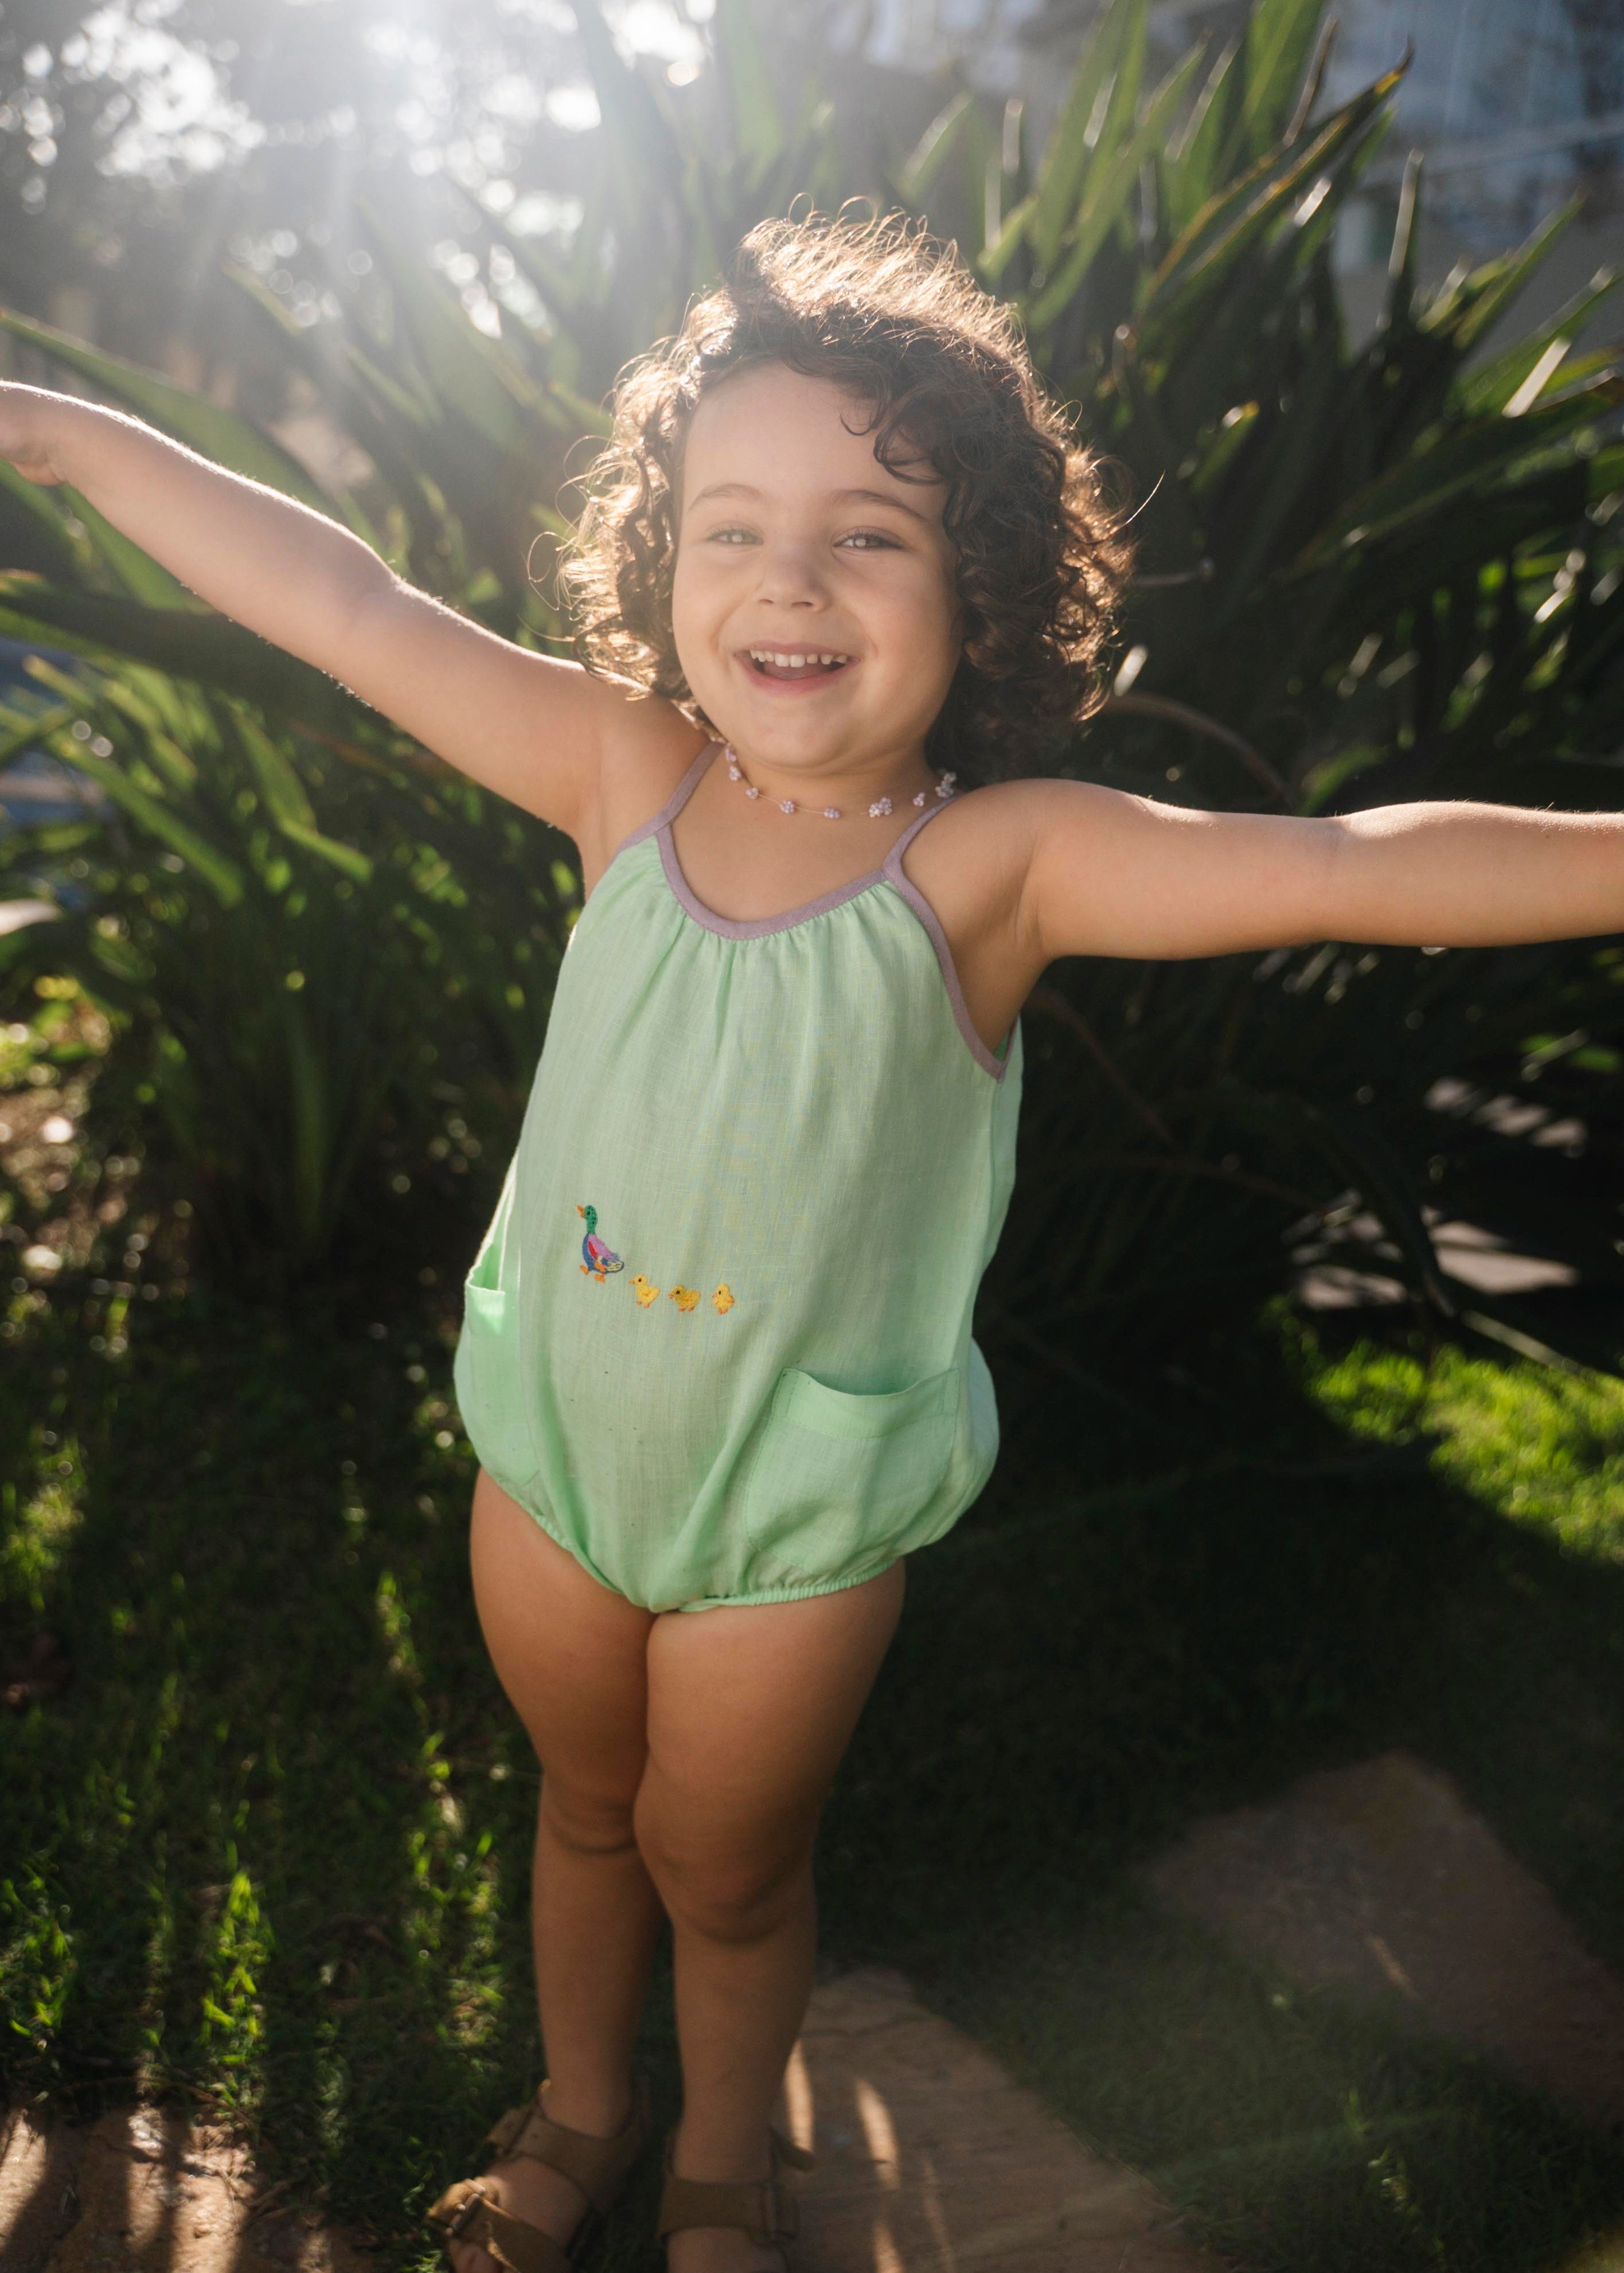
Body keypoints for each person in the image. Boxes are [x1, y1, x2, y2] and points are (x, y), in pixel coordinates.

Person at [3, 210, 1622, 2273]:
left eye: (870, 534)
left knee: (727, 1862)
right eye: (731, 526)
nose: (788, 577)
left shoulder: (996, 868)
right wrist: (67, 435)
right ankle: (584, 2109)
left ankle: (724, 2167)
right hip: (557, 1456)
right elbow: (345, 603)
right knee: (586, 1810)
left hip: (796, 1498)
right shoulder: (622, 775)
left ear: (983, 590)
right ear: (661, 565)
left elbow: (1345, 869)